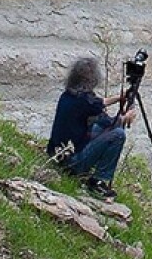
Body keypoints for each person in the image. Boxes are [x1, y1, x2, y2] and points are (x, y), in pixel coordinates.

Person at [46, 57, 136, 198]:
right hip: (72, 163)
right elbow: (110, 123)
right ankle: (98, 180)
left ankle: (91, 175)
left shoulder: (69, 95)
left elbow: (98, 103)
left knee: (97, 127)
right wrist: (126, 117)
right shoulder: (85, 102)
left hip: (57, 155)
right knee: (118, 134)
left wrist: (119, 98)